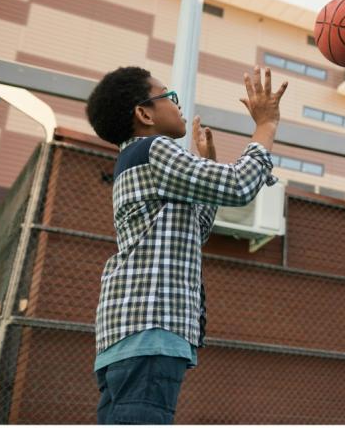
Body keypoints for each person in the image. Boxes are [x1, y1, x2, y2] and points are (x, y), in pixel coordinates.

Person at [86, 65, 287, 424]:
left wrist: (206, 166)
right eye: (169, 96)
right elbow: (240, 185)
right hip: (149, 330)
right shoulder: (154, 149)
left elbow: (196, 229)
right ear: (144, 113)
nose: (177, 105)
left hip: (128, 335)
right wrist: (266, 125)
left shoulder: (136, 159)